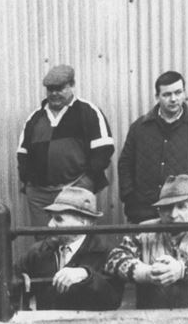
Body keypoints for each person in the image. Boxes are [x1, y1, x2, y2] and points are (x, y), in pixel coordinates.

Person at [16, 64, 114, 253]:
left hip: (75, 190)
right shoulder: (35, 118)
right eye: (50, 89)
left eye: (60, 88)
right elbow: (23, 154)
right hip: (40, 195)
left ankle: (79, 278)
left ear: (72, 85)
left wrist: (86, 182)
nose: (54, 94)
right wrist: (30, 184)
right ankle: (48, 282)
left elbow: (103, 149)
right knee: (43, 245)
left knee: (77, 241)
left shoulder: (88, 111)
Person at [15, 185, 123, 311]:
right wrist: (20, 282)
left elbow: (113, 300)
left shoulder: (106, 253)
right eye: (51, 217)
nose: (50, 225)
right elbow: (9, 279)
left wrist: (87, 276)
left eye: (58, 219)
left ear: (84, 223)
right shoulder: (38, 252)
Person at [105, 174, 188, 309]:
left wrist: (182, 269)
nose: (173, 215)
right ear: (159, 211)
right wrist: (146, 273)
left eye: (182, 207)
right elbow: (114, 259)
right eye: (167, 208)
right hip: (151, 320)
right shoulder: (146, 230)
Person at [118, 71, 188, 224]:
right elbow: (125, 164)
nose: (173, 99)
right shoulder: (139, 127)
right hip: (143, 212)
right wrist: (130, 198)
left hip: (182, 214)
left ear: (185, 93)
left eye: (178, 92)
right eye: (166, 94)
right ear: (157, 96)